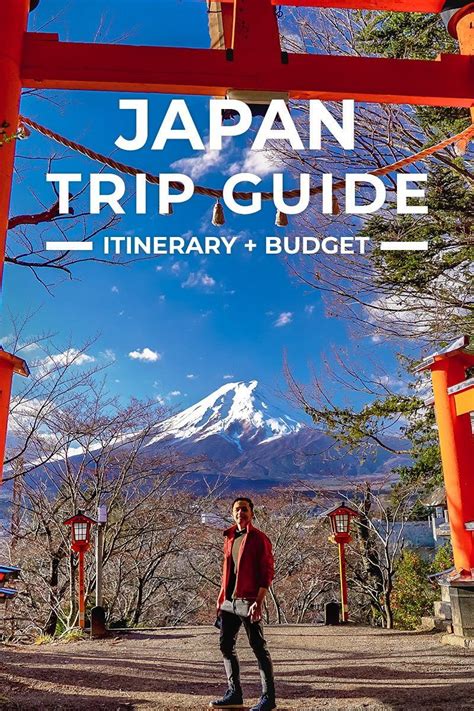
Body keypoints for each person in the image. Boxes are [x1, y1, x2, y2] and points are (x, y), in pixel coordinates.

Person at [209, 497, 276, 711]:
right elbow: (228, 570)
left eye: (245, 509)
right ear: (232, 513)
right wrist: (221, 598)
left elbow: (267, 573)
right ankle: (234, 693)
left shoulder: (259, 539)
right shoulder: (229, 537)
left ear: (252, 513)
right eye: (237, 510)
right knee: (225, 646)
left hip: (248, 600)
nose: (241, 513)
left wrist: (259, 601)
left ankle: (268, 698)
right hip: (229, 601)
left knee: (258, 647)